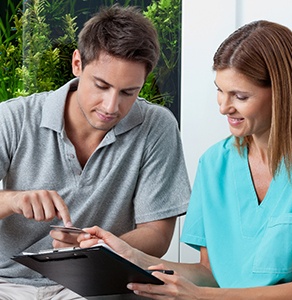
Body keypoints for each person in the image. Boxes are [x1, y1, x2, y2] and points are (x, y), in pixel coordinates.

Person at [78, 20, 292, 299]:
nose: (223, 107)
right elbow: (208, 274)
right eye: (220, 90)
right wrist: (130, 255)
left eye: (240, 96)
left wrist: (200, 297)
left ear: (281, 92)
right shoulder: (215, 164)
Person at [0, 4, 191, 300]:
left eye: (129, 92)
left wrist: (101, 246)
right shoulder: (13, 117)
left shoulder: (157, 126)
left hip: (94, 286)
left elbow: (157, 233)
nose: (111, 107)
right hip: (7, 281)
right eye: (101, 85)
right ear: (77, 64)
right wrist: (13, 200)